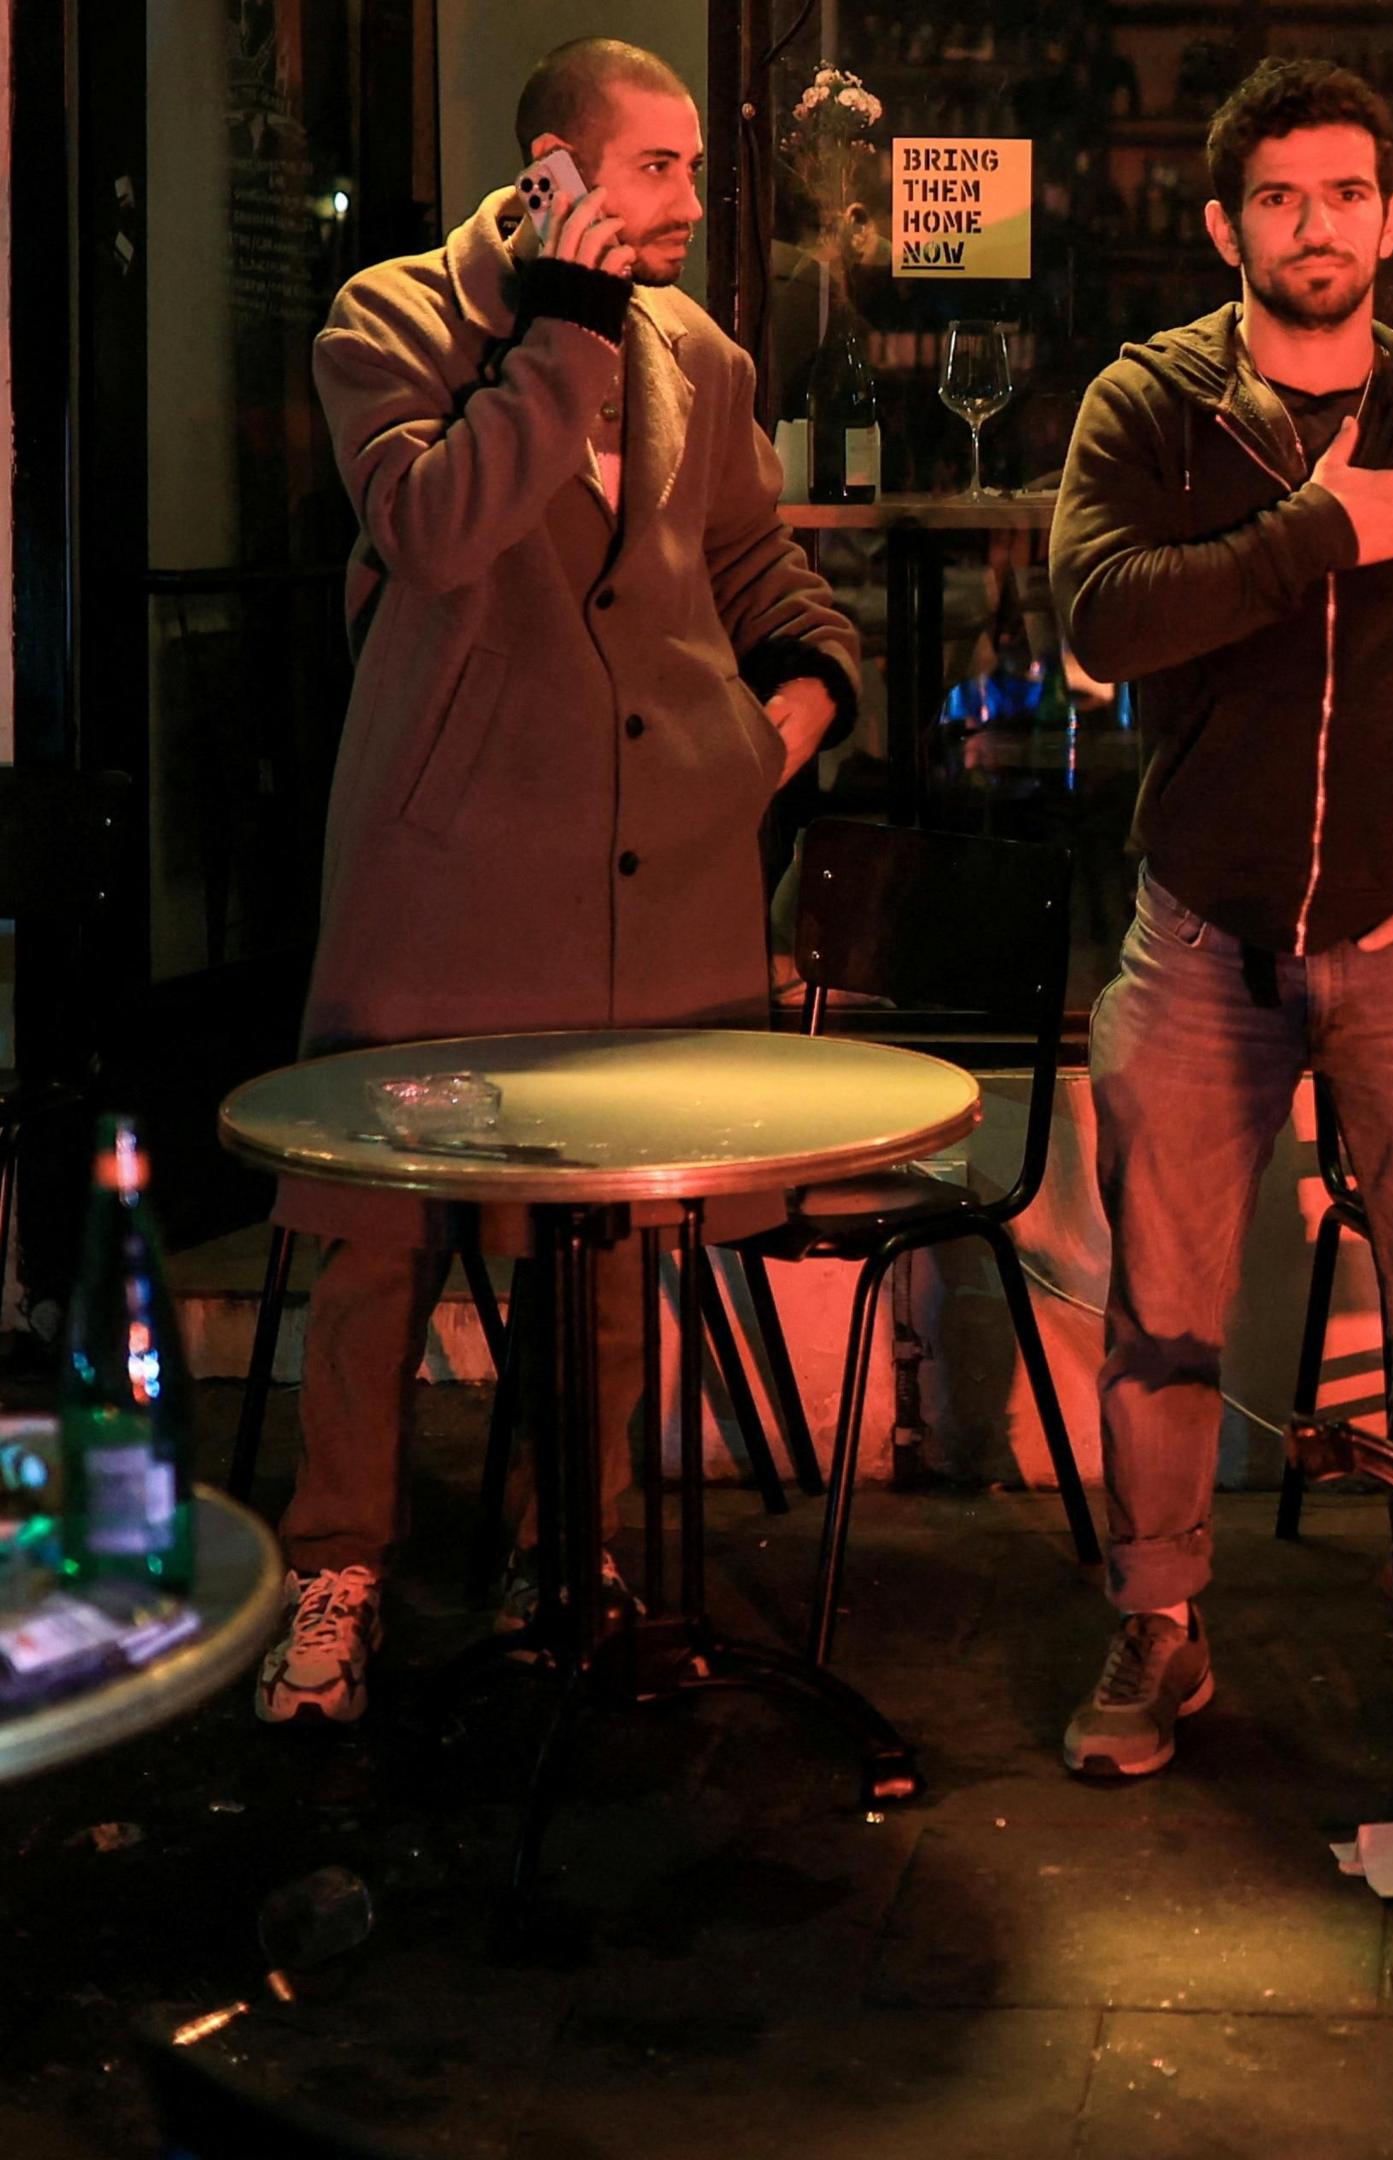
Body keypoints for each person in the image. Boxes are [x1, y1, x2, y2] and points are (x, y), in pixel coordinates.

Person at [255, 39, 859, 1723]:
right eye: (653, 167)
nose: (685, 200)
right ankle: (338, 1573)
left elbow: (751, 563)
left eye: (689, 167)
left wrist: (788, 719)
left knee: (600, 1250)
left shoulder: (705, 356)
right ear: (551, 173)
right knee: (379, 1239)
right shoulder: (389, 320)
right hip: (440, 867)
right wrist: (564, 340)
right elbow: (437, 527)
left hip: (646, 864)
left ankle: (562, 1551)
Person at [1048, 58, 1393, 1779]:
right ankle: (1160, 1627)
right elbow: (1104, 619)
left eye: (1345, 194)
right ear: (1225, 225)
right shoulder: (1148, 407)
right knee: (1166, 1308)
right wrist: (1312, 533)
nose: (1315, 224)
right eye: (1280, 197)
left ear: (1392, 220)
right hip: (1201, 936)